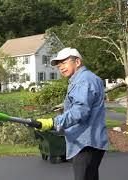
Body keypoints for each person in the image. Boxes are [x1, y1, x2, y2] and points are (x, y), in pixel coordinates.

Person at [37, 47, 108, 180]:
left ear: (77, 62)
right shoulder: (86, 78)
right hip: (90, 142)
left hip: (86, 143)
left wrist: (54, 122)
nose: (61, 68)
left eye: (64, 63)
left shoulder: (83, 80)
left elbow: (80, 111)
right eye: (59, 66)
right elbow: (82, 104)